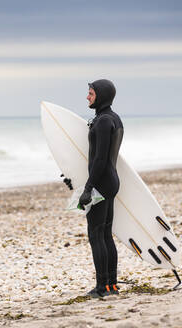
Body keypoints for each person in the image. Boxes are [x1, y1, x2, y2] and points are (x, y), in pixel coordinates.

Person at [63, 79, 123, 297]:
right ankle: (111, 285)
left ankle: (102, 287)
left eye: (91, 93)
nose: (87, 97)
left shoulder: (103, 121)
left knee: (96, 235)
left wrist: (88, 188)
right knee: (105, 234)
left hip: (102, 183)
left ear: (102, 95)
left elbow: (99, 160)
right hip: (110, 181)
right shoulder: (112, 118)